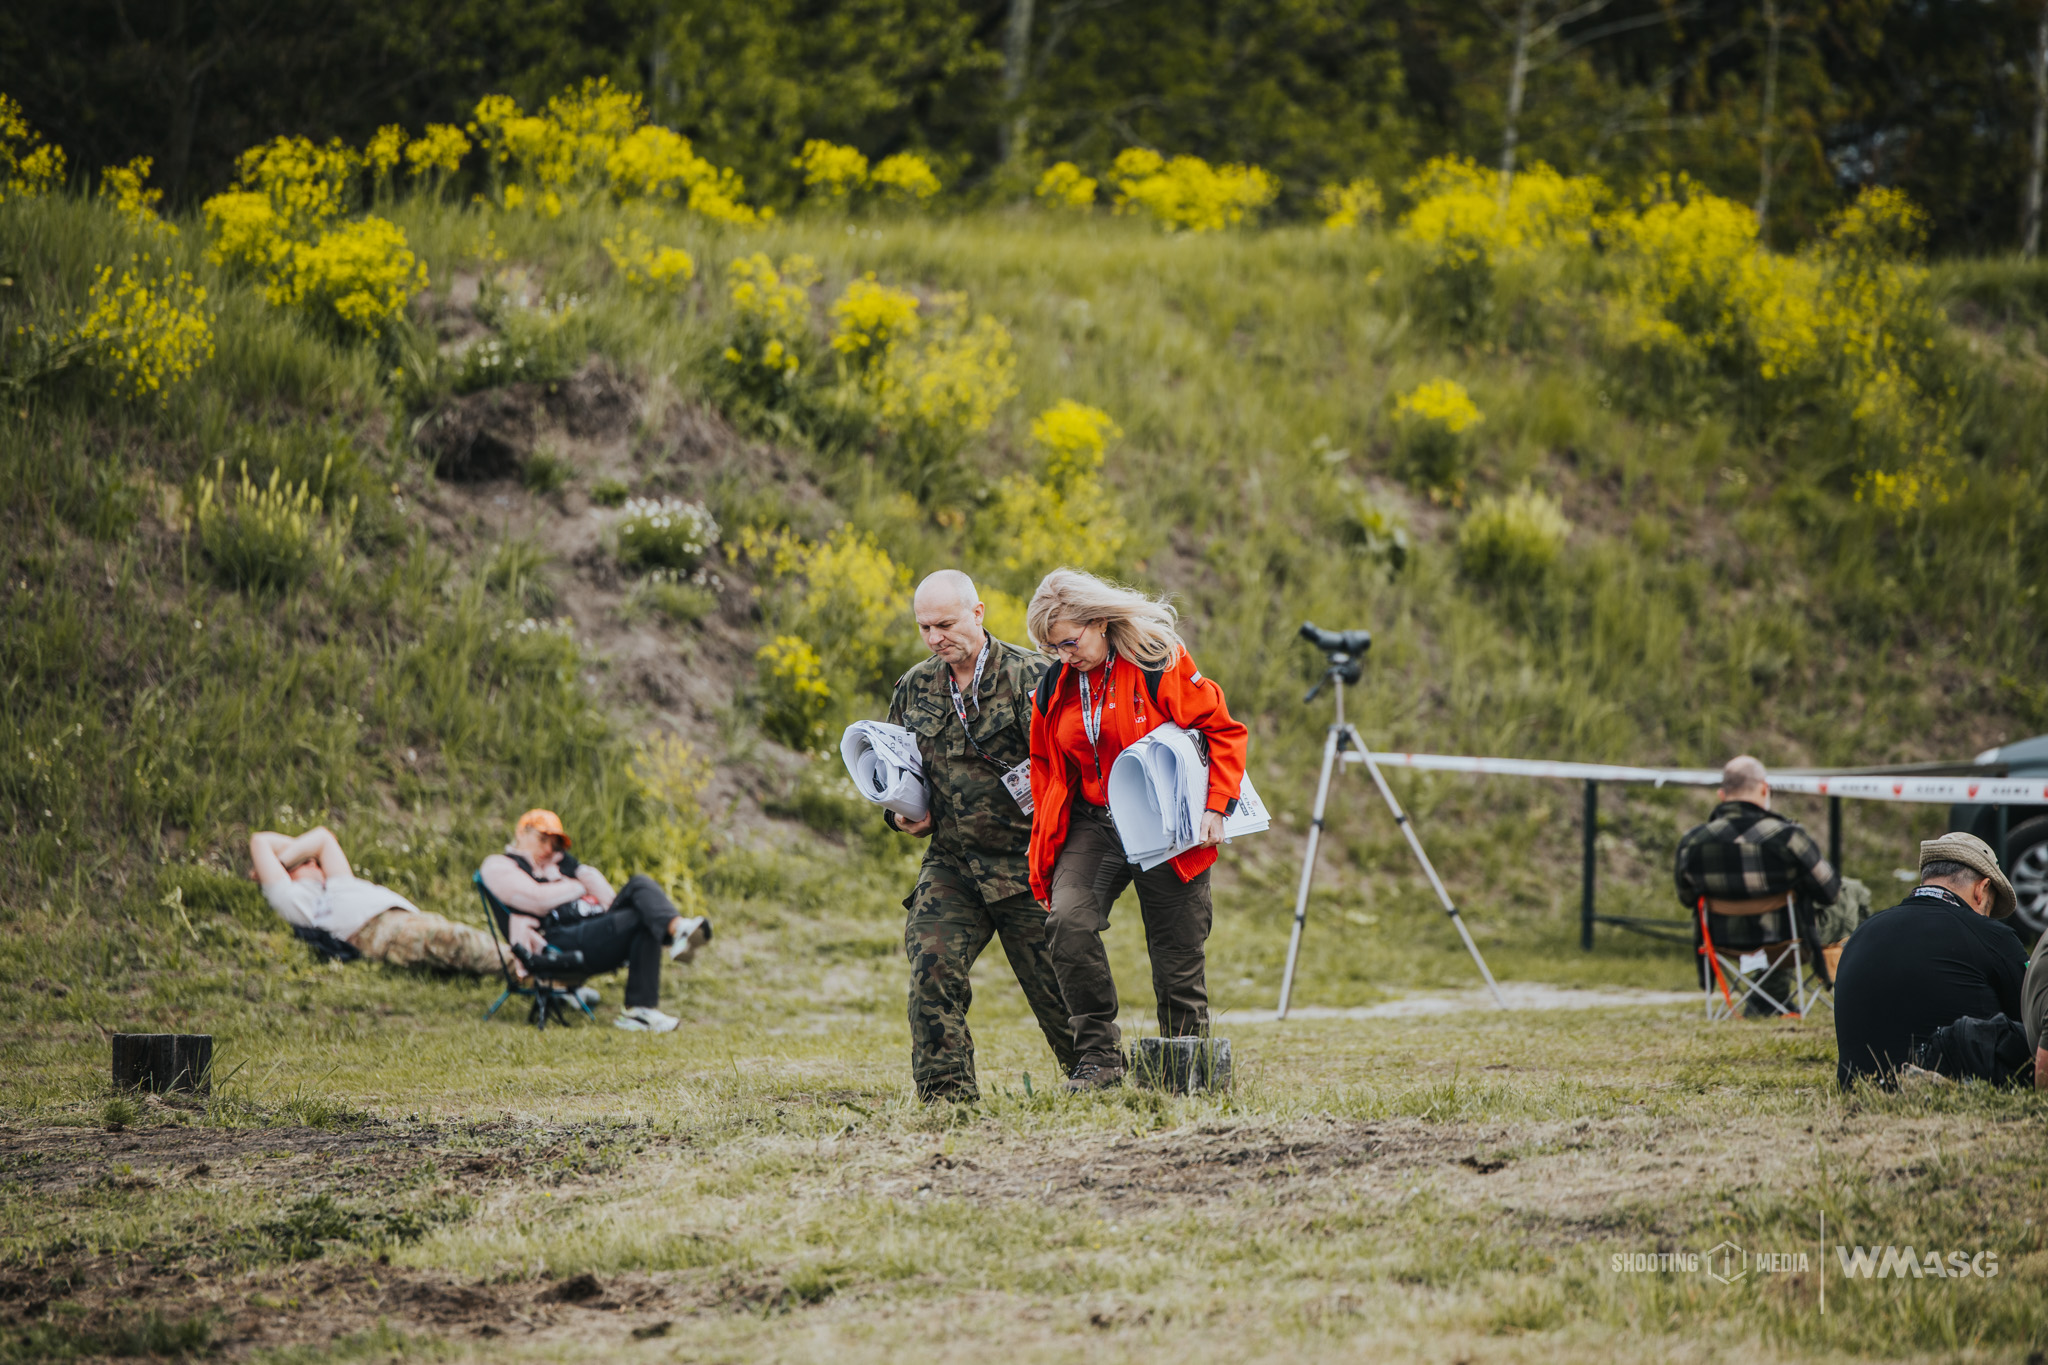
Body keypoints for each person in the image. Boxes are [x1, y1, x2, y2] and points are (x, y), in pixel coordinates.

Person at [1025, 567, 1248, 1092]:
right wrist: (1048, 830)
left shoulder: (1156, 661)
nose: (1063, 656)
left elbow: (1222, 732)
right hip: (1096, 824)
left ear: (1100, 622)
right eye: (1051, 648)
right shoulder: (1055, 685)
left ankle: (1187, 1079)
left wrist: (1217, 807)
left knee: (1177, 958)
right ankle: (1099, 1060)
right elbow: (1043, 761)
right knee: (1068, 923)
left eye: (1069, 643)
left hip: (1166, 824)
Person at [882, 570, 1077, 1102]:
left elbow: (1073, 772)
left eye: (945, 623)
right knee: (931, 967)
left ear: (978, 613)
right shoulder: (915, 687)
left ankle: (1098, 1080)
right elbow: (897, 775)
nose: (935, 637)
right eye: (925, 627)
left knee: (1061, 995)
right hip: (954, 864)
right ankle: (947, 1098)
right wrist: (902, 816)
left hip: (1027, 864)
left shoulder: (1033, 676)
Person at [478, 809, 711, 1034]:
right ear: (522, 832)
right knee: (639, 913)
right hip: (554, 942)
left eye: (555, 844)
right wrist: (578, 885)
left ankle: (678, 928)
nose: (549, 849)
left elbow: (609, 900)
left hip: (593, 930)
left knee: (640, 887)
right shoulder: (499, 865)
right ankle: (642, 1005)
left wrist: (579, 870)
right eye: (543, 839)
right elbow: (536, 900)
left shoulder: (559, 865)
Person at [1834, 832, 2026, 1087]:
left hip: (1858, 1086)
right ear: (1982, 889)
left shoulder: (1861, 934)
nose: (1985, 918)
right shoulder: (1992, 937)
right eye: (1988, 909)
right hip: (1957, 1085)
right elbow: (2034, 1021)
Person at [1674, 755, 1847, 1016]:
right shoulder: (1788, 836)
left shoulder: (1692, 841)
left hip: (1722, 942)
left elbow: (1687, 897)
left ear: (1722, 795)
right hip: (1788, 938)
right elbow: (1830, 892)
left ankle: (1765, 999)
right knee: (1854, 893)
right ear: (1765, 789)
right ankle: (1852, 992)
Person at [250, 826, 506, 976]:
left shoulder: (338, 882)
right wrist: (279, 866)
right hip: (375, 930)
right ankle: (527, 967)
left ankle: (527, 965)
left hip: (404, 918)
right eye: (305, 861)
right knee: (455, 939)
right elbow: (259, 841)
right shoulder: (294, 898)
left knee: (458, 939)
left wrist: (294, 855)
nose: (314, 862)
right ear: (289, 873)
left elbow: (323, 837)